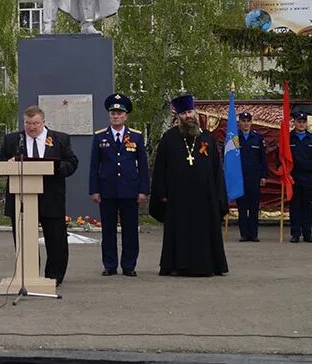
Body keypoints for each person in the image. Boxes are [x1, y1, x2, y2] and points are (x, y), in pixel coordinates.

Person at [0, 106, 79, 285]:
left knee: (56, 240)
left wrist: (54, 167)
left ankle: (54, 276)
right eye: (28, 123)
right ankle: (29, 273)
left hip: (51, 196)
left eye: (35, 123)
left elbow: (72, 163)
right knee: (24, 239)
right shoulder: (13, 140)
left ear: (43, 122)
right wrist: (8, 164)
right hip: (22, 198)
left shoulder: (59, 139)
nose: (31, 127)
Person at [149, 94, 229, 276]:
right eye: (184, 113)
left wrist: (219, 196)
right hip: (178, 198)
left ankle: (209, 265)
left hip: (205, 199)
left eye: (190, 111)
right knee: (179, 232)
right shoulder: (168, 139)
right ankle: (177, 265)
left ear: (195, 112)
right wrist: (161, 193)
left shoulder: (207, 138)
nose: (188, 116)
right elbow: (159, 169)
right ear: (178, 116)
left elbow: (217, 170)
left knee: (205, 231)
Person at [89, 93, 149, 277]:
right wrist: (94, 190)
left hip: (129, 190)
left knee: (130, 230)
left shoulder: (136, 137)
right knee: (108, 230)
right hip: (107, 190)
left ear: (126, 116)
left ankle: (129, 265)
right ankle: (110, 265)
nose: (116, 116)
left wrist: (143, 190)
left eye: (119, 113)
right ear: (109, 115)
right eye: (113, 113)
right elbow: (94, 165)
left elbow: (143, 166)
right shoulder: (100, 137)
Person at [289, 111, 312, 243]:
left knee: (307, 206)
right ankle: (295, 233)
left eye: (303, 122)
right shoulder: (289, 138)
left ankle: (307, 233)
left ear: (306, 123)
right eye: (299, 121)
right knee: (295, 206)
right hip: (294, 176)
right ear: (294, 123)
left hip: (309, 177)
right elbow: (282, 158)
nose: (301, 124)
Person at [236, 111, 268, 242]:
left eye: (248, 121)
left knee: (254, 207)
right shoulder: (234, 138)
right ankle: (244, 234)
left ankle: (253, 234)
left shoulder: (258, 138)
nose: (246, 123)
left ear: (251, 122)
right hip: (240, 177)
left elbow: (263, 159)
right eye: (243, 121)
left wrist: (264, 176)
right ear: (239, 123)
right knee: (242, 208)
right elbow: (229, 158)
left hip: (254, 177)